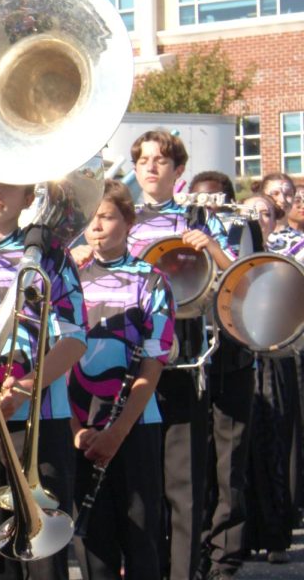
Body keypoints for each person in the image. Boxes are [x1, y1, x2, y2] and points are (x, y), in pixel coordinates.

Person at [124, 130, 230, 580]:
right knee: (137, 485)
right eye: (143, 160)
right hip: (128, 360)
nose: (150, 167)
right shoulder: (119, 218)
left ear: (178, 170)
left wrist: (212, 249)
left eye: (161, 161)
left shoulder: (198, 216)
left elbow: (234, 279)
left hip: (183, 357)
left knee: (183, 485)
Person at [0, 174, 86, 580]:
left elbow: (74, 340)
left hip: (40, 419)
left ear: (28, 196)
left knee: (44, 558)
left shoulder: (52, 257)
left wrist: (21, 388)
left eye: (7, 184)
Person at [69, 180, 174, 580]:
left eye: (107, 217)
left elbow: (153, 362)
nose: (96, 227)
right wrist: (77, 430)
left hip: (134, 425)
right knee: (93, 544)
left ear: (128, 222)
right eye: (91, 218)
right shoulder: (69, 276)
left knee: (141, 535)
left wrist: (118, 432)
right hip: (80, 424)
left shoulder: (150, 280)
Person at [188, 172, 256, 580]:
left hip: (232, 356)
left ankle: (224, 559)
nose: (209, 201)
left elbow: (248, 281)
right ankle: (188, 549)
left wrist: (213, 247)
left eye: (217, 196)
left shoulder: (241, 226)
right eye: (202, 195)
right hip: (190, 354)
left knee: (229, 464)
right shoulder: (182, 224)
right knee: (189, 463)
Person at [243, 180, 300, 567]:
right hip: (234, 363)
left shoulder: (283, 256)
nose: (257, 219)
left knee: (275, 444)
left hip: (274, 358)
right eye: (249, 213)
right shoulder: (229, 254)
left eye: (264, 213)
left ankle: (277, 533)